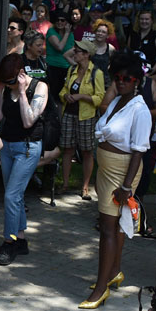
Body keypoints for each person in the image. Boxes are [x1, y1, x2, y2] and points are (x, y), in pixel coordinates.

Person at [83, 53, 152, 308]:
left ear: (136, 80)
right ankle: (113, 273)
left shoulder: (140, 109)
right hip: (106, 170)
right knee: (116, 226)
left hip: (123, 173)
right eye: (117, 78)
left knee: (107, 229)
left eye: (127, 78)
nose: (121, 82)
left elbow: (139, 150)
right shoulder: (118, 101)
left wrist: (126, 186)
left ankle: (100, 289)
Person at [0, 53, 49, 265]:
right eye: (6, 82)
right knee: (15, 196)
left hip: (27, 147)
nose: (10, 85)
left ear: (22, 74)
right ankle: (21, 240)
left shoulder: (39, 87)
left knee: (11, 197)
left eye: (12, 81)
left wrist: (23, 92)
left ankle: (10, 242)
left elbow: (29, 121)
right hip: (7, 146)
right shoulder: (5, 88)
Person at [59, 39, 105, 199]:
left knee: (87, 151)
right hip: (69, 114)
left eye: (77, 51)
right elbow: (63, 89)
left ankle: (85, 187)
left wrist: (81, 96)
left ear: (86, 55)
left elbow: (100, 98)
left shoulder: (96, 73)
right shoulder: (72, 69)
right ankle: (65, 184)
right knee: (67, 149)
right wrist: (65, 95)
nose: (74, 53)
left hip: (86, 116)